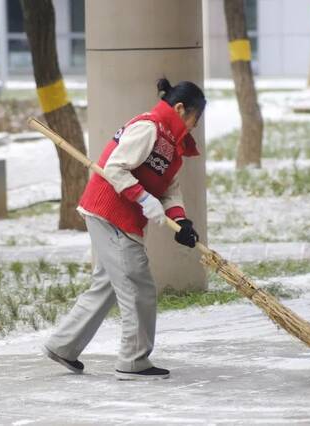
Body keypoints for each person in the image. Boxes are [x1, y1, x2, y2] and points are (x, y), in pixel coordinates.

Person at [44, 78, 206, 380]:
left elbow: (169, 189)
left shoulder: (173, 145)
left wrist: (181, 220)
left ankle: (63, 346)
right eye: (196, 117)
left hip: (119, 215)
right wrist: (142, 197)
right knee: (137, 284)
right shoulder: (149, 128)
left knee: (106, 287)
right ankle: (133, 360)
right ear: (181, 108)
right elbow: (115, 167)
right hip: (110, 212)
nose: (196, 125)